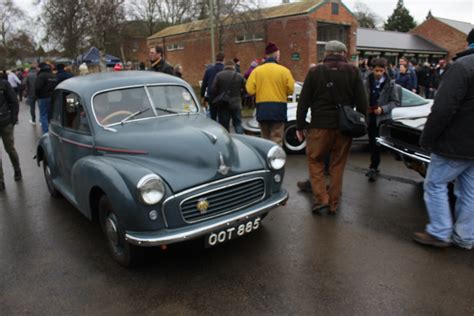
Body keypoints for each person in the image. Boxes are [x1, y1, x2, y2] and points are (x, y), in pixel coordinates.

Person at [414, 29, 474, 250]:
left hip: (455, 143)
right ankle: (465, 236)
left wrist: (427, 138)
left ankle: (440, 232)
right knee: (470, 192)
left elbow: (442, 108)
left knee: (435, 184)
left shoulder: (462, 67)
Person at [296, 40, 367, 214]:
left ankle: (321, 199)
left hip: (319, 126)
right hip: (343, 128)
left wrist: (300, 126)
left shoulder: (314, 72)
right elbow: (363, 103)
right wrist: (359, 121)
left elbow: (303, 102)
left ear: (326, 53)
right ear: (343, 53)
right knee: (337, 165)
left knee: (315, 161)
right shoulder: (353, 71)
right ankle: (334, 203)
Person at [246, 42, 295, 146]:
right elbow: (291, 90)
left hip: (262, 108)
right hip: (279, 108)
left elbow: (250, 90)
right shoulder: (285, 71)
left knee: (265, 138)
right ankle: (276, 160)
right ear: (276, 55)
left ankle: (266, 159)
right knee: (277, 137)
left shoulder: (256, 71)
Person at [365, 58, 400, 181]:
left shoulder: (391, 84)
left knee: (377, 144)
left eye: (381, 70)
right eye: (376, 70)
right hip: (370, 117)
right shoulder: (366, 82)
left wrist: (383, 109)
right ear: (372, 69)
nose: (378, 73)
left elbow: (395, 102)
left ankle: (374, 167)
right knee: (372, 143)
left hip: (382, 119)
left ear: (385, 70)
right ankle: (374, 166)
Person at [210, 60, 245, 133]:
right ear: (234, 67)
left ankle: (227, 141)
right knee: (237, 124)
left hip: (223, 104)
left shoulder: (219, 75)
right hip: (236, 103)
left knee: (224, 126)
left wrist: (218, 96)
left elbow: (213, 89)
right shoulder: (240, 76)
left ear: (224, 66)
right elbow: (246, 89)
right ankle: (241, 139)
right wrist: (240, 95)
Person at [0, 77, 21, 191]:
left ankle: (17, 170)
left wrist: (13, 119)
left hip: (6, 122)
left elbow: (13, 101)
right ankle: (0, 181)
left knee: (10, 149)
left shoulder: (4, 84)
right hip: (6, 120)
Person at [200, 52, 225, 121]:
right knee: (222, 116)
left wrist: (202, 96)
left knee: (213, 115)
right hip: (222, 95)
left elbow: (204, 84)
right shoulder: (225, 70)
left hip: (211, 95)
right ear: (223, 60)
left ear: (216, 59)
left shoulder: (209, 70)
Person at [35, 62, 58, 134]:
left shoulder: (41, 75)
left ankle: (46, 132)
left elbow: (37, 87)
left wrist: (37, 96)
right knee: (50, 114)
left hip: (43, 97)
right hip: (52, 97)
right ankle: (52, 130)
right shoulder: (53, 75)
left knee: (43, 114)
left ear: (40, 68)